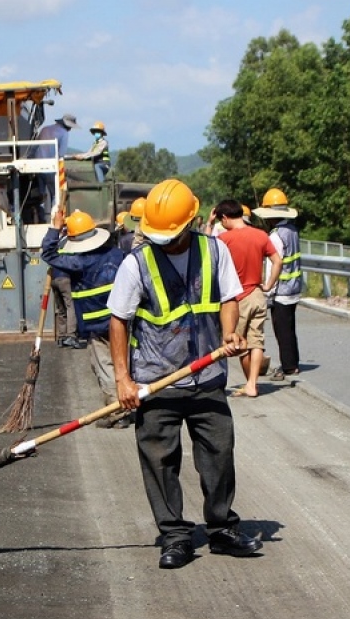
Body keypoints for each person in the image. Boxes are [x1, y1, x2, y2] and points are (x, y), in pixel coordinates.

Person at [107, 178, 263, 570]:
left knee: (219, 453)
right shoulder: (136, 263)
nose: (165, 242)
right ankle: (175, 535)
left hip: (207, 377)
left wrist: (230, 333)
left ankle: (221, 528)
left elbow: (229, 297)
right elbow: (119, 320)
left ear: (192, 221)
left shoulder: (214, 251)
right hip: (156, 381)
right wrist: (123, 380)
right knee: (159, 459)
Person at [41, 209, 124, 401]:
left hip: (95, 324)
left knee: (105, 365)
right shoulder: (116, 254)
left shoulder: (79, 262)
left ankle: (116, 411)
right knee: (123, 363)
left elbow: (48, 254)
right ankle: (128, 403)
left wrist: (55, 228)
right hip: (121, 320)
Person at [215, 199, 282, 398]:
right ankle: (252, 384)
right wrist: (269, 285)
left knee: (235, 343)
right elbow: (277, 260)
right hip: (257, 293)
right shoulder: (260, 235)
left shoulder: (223, 240)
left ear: (225, 218)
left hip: (236, 298)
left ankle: (223, 384)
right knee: (257, 341)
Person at [253, 188, 303, 381]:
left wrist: (267, 288)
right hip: (294, 287)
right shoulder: (292, 230)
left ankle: (289, 366)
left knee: (282, 331)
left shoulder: (275, 236)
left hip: (282, 290)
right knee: (290, 328)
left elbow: (275, 263)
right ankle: (293, 363)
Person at [32, 113, 78, 222]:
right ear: (68, 126)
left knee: (41, 195)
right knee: (55, 195)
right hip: (50, 167)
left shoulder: (45, 129)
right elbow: (61, 154)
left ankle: (41, 218)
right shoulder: (64, 133)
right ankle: (54, 220)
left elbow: (34, 148)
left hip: (37, 166)